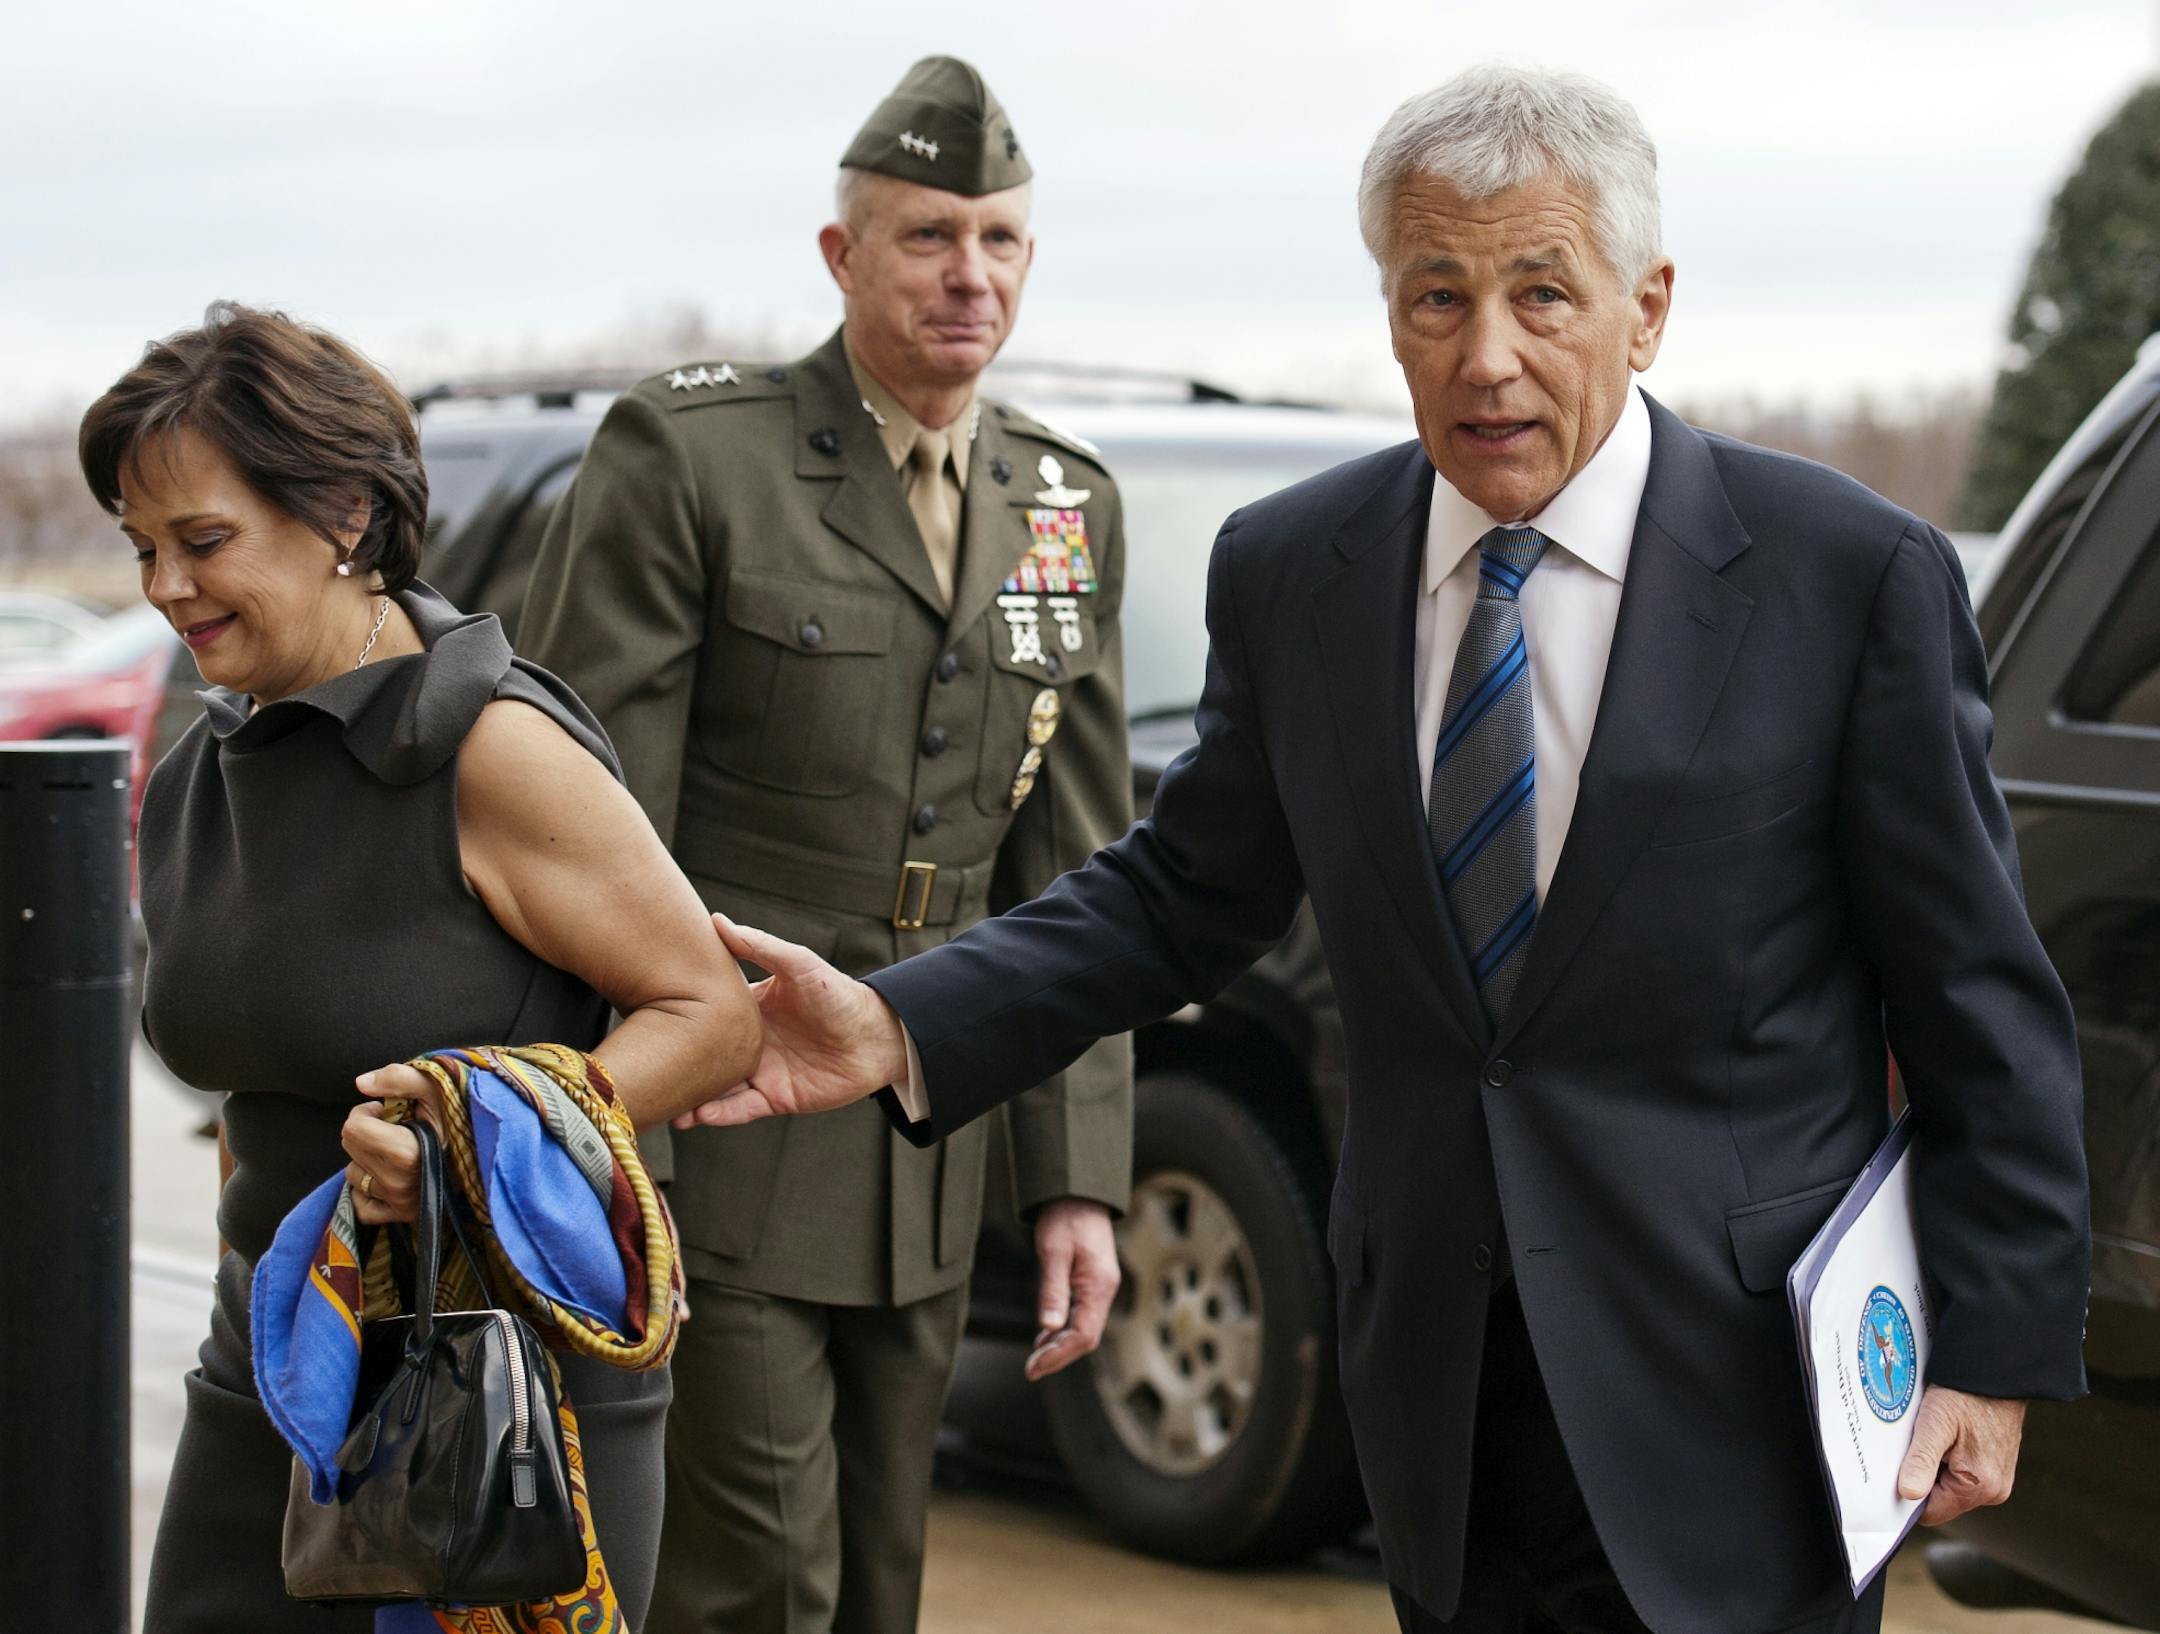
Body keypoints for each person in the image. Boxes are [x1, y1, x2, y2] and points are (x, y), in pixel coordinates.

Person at [677, 66, 2094, 1634]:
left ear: (1648, 308)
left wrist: (1993, 1349)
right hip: (1435, 1392)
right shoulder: (1299, 570)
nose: (1486, 357)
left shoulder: (1848, 578)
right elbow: (1179, 895)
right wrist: (897, 1020)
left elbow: (1980, 1000)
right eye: (1437, 296)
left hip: (1742, 1399)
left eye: (1542, 293)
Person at [518, 55, 1134, 1634]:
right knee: (756, 1584)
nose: (968, 274)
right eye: (928, 235)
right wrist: (611, 1149)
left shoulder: (1063, 504)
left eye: (999, 239)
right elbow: (591, 832)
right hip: (723, 1122)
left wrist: (1079, 1187)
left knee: (881, 1584)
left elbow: (1076, 878)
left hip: (929, 1142)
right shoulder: (696, 456)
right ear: (840, 253)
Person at [82, 301, 762, 1632]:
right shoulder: (196, 781)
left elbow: (712, 1012)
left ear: (344, 515)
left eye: (203, 540)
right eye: (142, 547)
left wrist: (472, 1142)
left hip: (502, 1382)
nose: (165, 587)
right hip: (272, 1372)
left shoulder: (488, 749)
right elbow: (253, 1081)